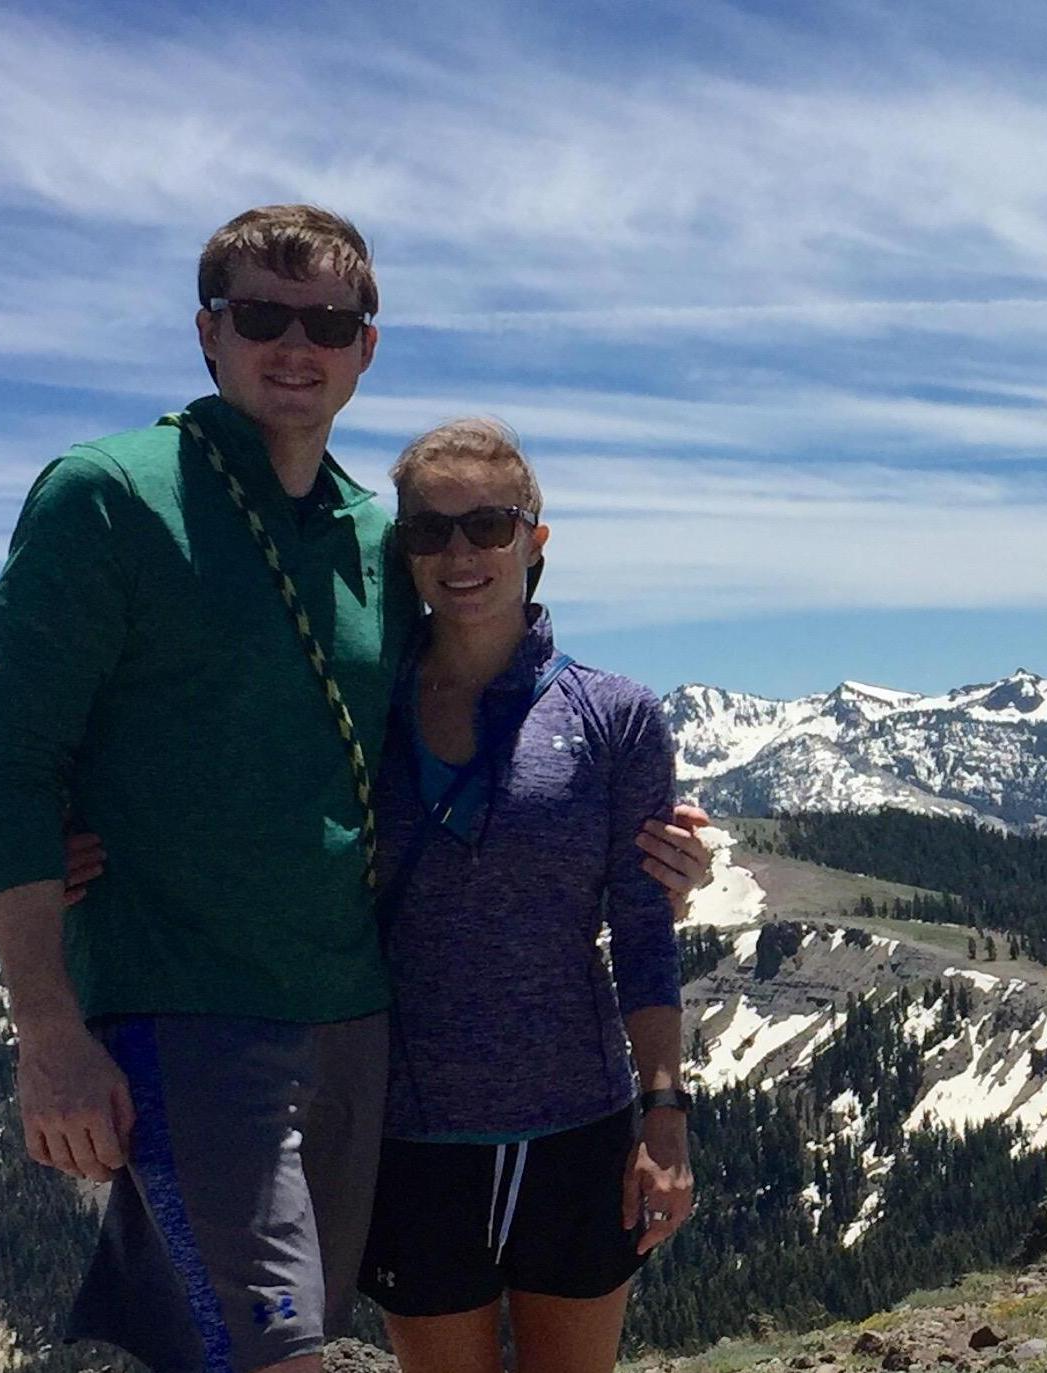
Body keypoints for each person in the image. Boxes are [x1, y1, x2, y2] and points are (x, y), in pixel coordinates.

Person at [0, 204, 710, 1373]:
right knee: (274, 1353)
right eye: (261, 314)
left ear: (366, 346)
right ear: (207, 332)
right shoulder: (106, 495)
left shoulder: (374, 538)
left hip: (359, 1032)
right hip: (193, 1009)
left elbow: (483, 713)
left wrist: (653, 852)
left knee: (268, 1337)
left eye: (326, 321)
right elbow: (12, 764)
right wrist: (47, 1029)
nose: (294, 344)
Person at [354, 419, 693, 1373]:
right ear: (404, 551)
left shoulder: (615, 715)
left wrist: (664, 1117)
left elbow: (642, 930)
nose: (459, 553)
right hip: (408, 1130)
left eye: (488, 525)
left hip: (578, 1125)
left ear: (533, 541)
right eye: (430, 530)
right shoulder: (361, 709)